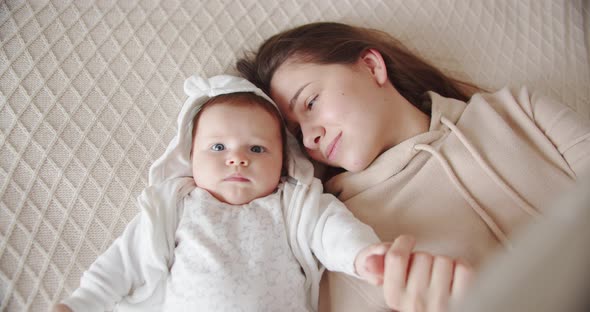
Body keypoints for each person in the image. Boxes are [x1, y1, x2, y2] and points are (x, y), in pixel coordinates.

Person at [236, 21, 590, 312]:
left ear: (372, 66)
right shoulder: (346, 241)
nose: (311, 138)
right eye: (298, 133)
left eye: (311, 102)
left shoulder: (520, 111)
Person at [52, 75, 471, 312]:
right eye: (218, 148)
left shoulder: (292, 205)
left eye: (257, 149)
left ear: (283, 162)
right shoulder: (178, 206)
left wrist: (363, 256)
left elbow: (331, 230)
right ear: (190, 157)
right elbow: (123, 261)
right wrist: (82, 302)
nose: (237, 159)